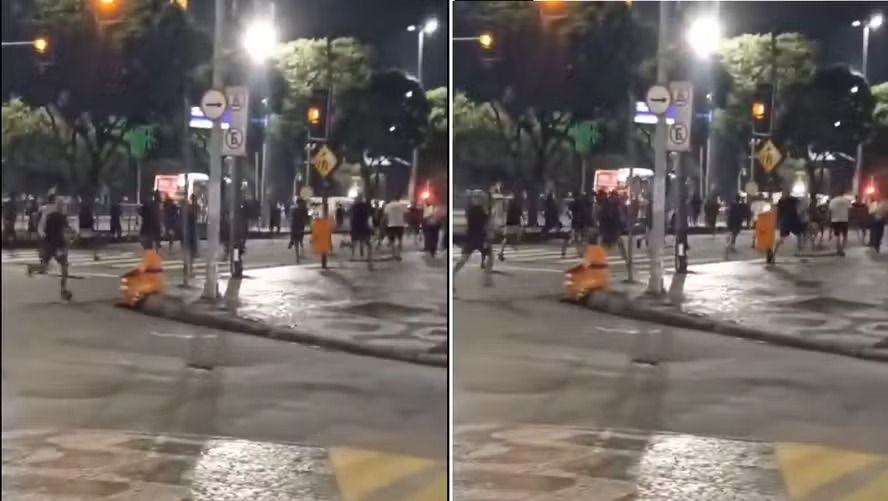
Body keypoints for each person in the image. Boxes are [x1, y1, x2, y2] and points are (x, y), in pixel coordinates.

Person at [27, 194, 74, 301]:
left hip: (49, 245)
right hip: (57, 245)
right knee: (64, 268)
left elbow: (45, 230)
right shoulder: (60, 217)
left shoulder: (50, 216)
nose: (64, 207)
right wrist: (72, 234)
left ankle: (32, 268)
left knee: (45, 266)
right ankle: (63, 290)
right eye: (63, 205)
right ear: (60, 206)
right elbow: (66, 229)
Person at [453, 191, 492, 281]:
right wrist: (487, 237)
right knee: (490, 256)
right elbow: (485, 225)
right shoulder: (481, 211)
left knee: (463, 259)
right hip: (480, 237)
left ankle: (453, 273)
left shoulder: (471, 210)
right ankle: (487, 277)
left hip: (471, 237)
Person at [498, 193, 524, 261]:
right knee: (512, 237)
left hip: (510, 224)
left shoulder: (508, 207)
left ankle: (503, 251)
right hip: (515, 224)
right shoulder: (514, 206)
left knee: (506, 238)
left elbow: (520, 213)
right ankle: (512, 246)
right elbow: (521, 214)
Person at [828, 192, 852, 257]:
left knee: (837, 235)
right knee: (845, 235)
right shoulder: (846, 201)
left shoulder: (833, 201)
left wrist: (829, 219)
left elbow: (830, 211)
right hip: (844, 219)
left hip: (835, 220)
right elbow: (849, 210)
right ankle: (842, 248)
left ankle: (838, 248)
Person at [350, 196, 372, 260]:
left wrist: (351, 225)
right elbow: (368, 217)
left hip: (355, 226)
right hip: (363, 226)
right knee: (363, 241)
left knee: (354, 241)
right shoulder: (365, 208)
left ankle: (353, 255)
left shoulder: (354, 207)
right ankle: (363, 255)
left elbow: (352, 217)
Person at [288, 198, 309, 262]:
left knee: (298, 240)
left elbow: (291, 218)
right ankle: (298, 255)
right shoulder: (303, 209)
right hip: (298, 226)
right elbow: (306, 218)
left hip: (297, 226)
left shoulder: (294, 209)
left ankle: (293, 243)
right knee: (298, 240)